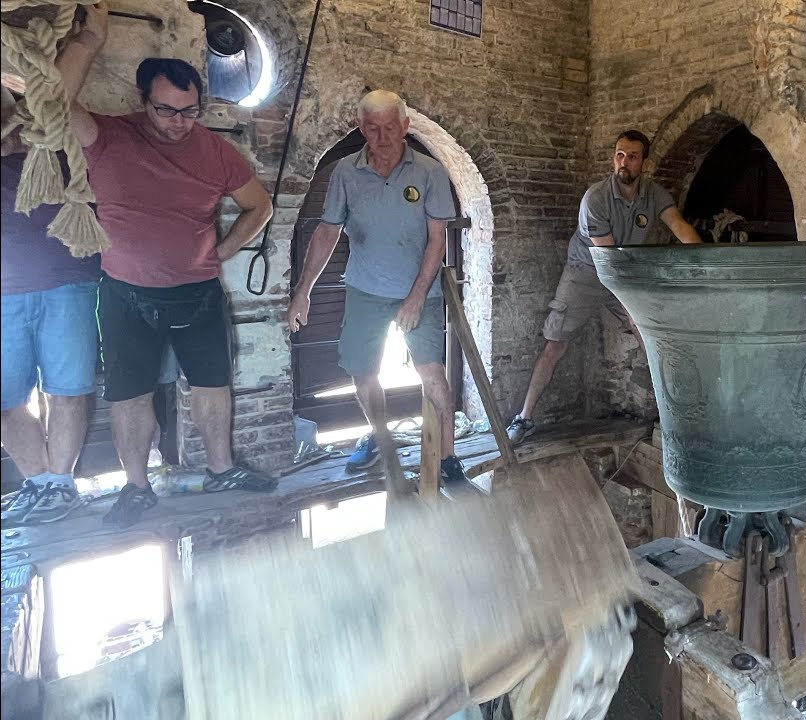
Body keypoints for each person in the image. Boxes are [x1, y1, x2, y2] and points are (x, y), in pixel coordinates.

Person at [57, 3, 277, 527]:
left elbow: (260, 206)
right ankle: (136, 488)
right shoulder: (108, 136)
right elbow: (52, 100)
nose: (179, 123)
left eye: (190, 111)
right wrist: (90, 41)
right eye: (166, 111)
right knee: (130, 394)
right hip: (125, 293)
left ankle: (222, 469)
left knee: (212, 385)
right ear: (143, 101)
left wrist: (222, 251)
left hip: (197, 293)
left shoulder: (215, 151)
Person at [286, 90, 468, 490]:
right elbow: (327, 231)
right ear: (360, 127)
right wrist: (304, 291)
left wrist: (417, 295)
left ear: (405, 126)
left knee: (432, 375)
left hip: (419, 291)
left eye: (391, 127)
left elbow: (438, 239)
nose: (383, 137)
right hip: (365, 288)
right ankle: (381, 440)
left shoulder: (430, 172)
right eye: (373, 128)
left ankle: (450, 458)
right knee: (362, 374)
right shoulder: (345, 174)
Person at [505, 130, 702, 444]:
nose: (624, 162)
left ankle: (673, 418)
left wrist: (704, 259)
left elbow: (678, 225)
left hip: (623, 270)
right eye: (620, 155)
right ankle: (524, 419)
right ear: (614, 158)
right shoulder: (595, 198)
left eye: (633, 156)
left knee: (649, 337)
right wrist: (630, 303)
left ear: (644, 163)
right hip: (586, 272)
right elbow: (607, 259)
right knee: (556, 344)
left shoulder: (653, 194)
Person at [0, 86, 102, 526]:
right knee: (5, 401)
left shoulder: (60, 137)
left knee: (67, 390)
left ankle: (60, 485)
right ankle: (39, 482)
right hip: (3, 292)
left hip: (70, 281)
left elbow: (63, 86)